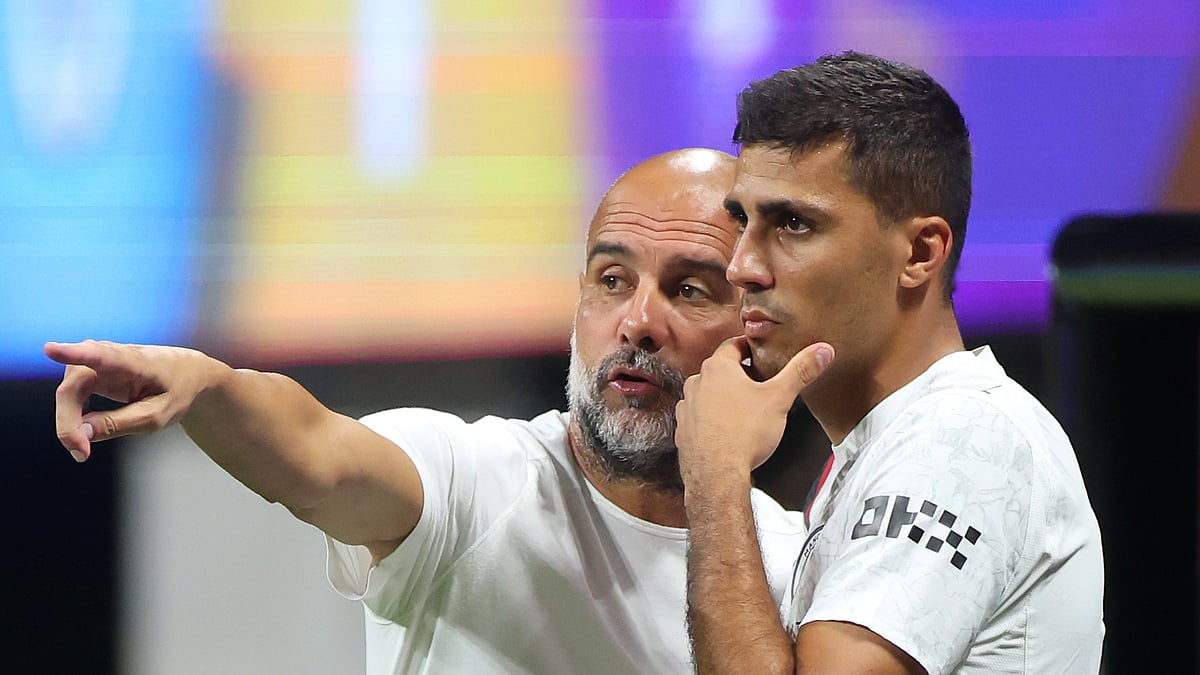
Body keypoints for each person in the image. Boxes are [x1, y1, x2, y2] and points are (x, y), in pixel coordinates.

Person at [46, 148, 809, 674]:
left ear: (757, 330)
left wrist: (718, 482)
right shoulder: (477, 479)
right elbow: (314, 451)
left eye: (689, 289)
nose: (638, 320)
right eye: (611, 279)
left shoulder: (803, 562)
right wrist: (210, 387)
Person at [675, 52, 1105, 674]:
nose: (742, 265)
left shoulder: (960, 439)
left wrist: (714, 476)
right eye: (743, 220)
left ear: (920, 253)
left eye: (793, 223)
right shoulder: (895, 443)